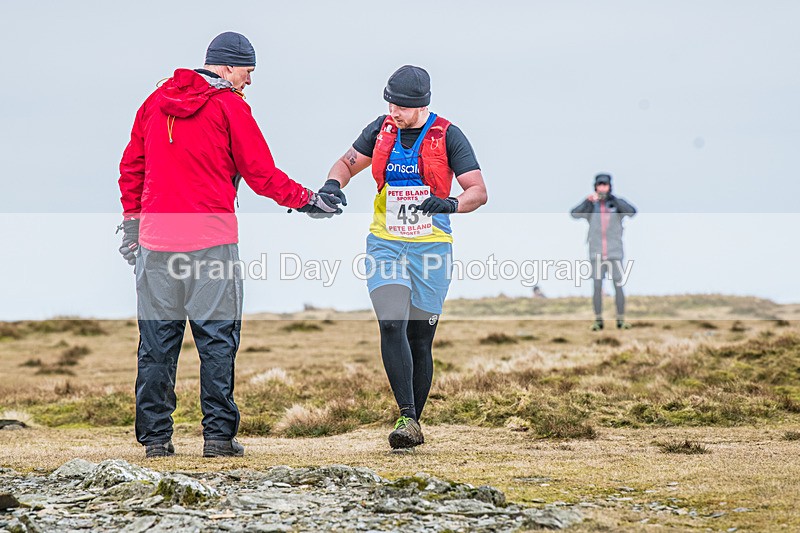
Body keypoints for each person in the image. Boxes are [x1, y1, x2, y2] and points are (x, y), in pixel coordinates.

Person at [118, 32, 342, 459]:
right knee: (217, 341)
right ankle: (218, 439)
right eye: (247, 71)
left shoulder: (153, 102)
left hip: (156, 244)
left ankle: (156, 441)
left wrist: (132, 227)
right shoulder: (229, 106)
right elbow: (260, 173)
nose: (249, 81)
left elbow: (131, 167)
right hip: (211, 244)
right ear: (226, 66)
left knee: (156, 344)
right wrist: (309, 201)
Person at [318, 65, 488, 449]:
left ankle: (413, 426)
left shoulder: (449, 135)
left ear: (422, 104)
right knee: (392, 323)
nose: (394, 111)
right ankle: (406, 415)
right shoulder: (380, 130)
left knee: (420, 338)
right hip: (386, 243)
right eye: (390, 103)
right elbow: (346, 163)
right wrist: (332, 184)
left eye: (402, 107)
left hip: (432, 247)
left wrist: (450, 203)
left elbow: (478, 191)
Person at [570, 173, 636, 330]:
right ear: (595, 187)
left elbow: (632, 212)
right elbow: (574, 214)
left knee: (618, 286)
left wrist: (614, 200)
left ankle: (620, 320)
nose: (602, 188)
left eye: (605, 185)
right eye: (600, 185)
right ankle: (598, 320)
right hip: (596, 254)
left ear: (609, 186)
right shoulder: (591, 206)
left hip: (615, 253)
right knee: (597, 287)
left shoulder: (615, 204)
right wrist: (587, 201)